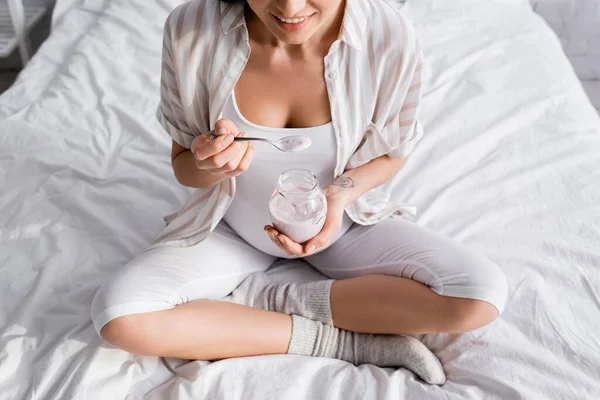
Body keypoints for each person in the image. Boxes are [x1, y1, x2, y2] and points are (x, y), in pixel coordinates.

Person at [91, 0, 508, 385]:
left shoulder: (389, 36)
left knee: (479, 295)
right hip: (232, 226)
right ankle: (346, 343)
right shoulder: (191, 31)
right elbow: (184, 164)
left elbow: (393, 153)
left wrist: (341, 194)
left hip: (343, 224)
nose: (290, 9)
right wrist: (207, 165)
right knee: (119, 317)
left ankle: (277, 298)